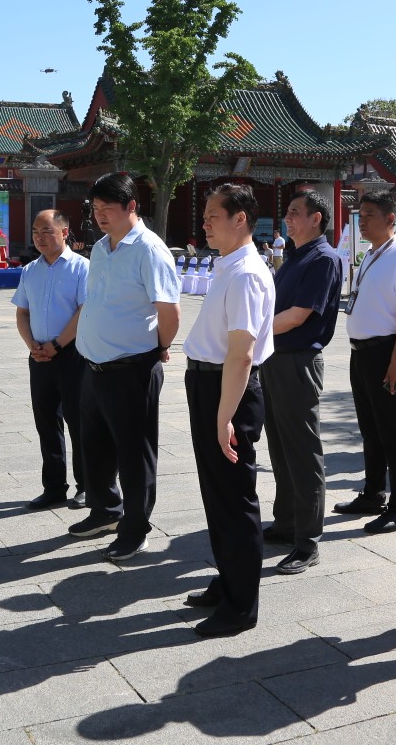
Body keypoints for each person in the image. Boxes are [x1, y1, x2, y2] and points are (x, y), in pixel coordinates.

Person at [70, 172, 181, 560]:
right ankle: (105, 510)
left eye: (108, 208)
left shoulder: (149, 250)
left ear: (132, 206)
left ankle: (135, 527)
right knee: (95, 446)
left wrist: (160, 347)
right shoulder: (102, 247)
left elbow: (169, 311)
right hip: (94, 365)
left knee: (135, 453)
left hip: (131, 368)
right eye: (95, 208)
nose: (99, 215)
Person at [181, 184, 275, 637]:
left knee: (235, 498)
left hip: (228, 389)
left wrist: (224, 418)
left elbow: (242, 353)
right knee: (217, 493)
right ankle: (229, 578)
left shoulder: (246, 274)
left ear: (241, 219)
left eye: (212, 215)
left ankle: (241, 605)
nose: (204, 223)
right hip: (210, 383)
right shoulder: (229, 265)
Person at [262, 190, 342, 574]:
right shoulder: (294, 256)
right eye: (287, 212)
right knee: (280, 447)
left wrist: (253, 330)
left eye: (295, 212)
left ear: (316, 218)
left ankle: (307, 541)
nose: (288, 219)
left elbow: (298, 315)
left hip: (297, 361)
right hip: (275, 359)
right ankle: (287, 522)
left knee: (302, 452)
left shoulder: (323, 258)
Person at [334, 189, 396, 533]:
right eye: (361, 214)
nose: (363, 221)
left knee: (391, 431)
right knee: (369, 429)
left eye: (370, 215)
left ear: (390, 218)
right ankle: (373, 493)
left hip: (385, 352)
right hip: (361, 352)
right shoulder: (372, 253)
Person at [12, 209, 89, 509]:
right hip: (40, 355)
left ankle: (87, 485)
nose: (39, 237)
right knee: (46, 422)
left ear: (64, 232)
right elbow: (22, 312)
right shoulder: (30, 270)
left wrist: (57, 344)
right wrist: (31, 344)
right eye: (35, 231)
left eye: (46, 231)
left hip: (73, 354)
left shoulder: (82, 268)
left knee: (79, 422)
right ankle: (54, 487)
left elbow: (84, 311)